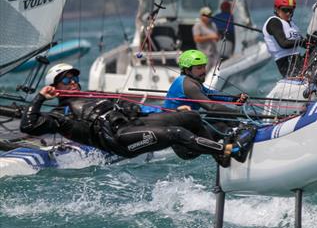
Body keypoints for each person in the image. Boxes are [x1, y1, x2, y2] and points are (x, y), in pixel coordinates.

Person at [20, 63, 246, 167]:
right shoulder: (61, 114)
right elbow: (28, 126)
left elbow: (136, 110)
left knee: (190, 118)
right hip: (119, 142)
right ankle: (228, 151)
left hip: (132, 124)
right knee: (175, 132)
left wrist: (170, 111)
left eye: (74, 78)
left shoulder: (94, 97)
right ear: (54, 86)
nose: (73, 83)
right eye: (66, 80)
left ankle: (219, 152)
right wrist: (40, 97)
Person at [262, 0, 305, 78]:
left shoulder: (292, 24)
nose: (288, 13)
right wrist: (302, 42)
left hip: (298, 59)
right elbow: (284, 44)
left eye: (291, 10)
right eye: (285, 10)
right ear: (277, 9)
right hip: (285, 62)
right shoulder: (274, 22)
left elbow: (303, 43)